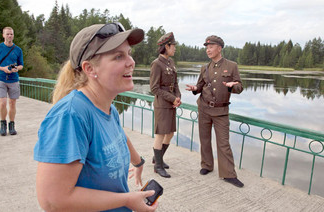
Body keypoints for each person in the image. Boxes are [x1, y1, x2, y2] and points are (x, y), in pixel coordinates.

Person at [34, 23, 158, 212]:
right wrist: (127, 200)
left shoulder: (108, 108)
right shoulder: (70, 116)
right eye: (118, 56)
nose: (131, 62)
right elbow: (52, 200)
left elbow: (117, 136)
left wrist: (138, 162)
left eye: (129, 53)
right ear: (90, 69)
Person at [185, 35, 244, 188]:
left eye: (210, 47)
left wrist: (232, 85)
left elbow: (240, 87)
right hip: (204, 108)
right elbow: (200, 86)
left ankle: (228, 174)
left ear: (219, 48)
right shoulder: (205, 68)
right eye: (206, 47)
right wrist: (195, 88)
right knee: (204, 139)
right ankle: (206, 165)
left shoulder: (232, 66)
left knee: (223, 143)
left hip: (221, 111)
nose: (208, 50)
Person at [150, 32, 181, 178]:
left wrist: (178, 97)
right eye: (173, 46)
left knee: (170, 133)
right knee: (161, 134)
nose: (175, 48)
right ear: (166, 46)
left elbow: (175, 83)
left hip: (171, 104)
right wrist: (171, 98)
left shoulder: (171, 63)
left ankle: (158, 159)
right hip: (162, 105)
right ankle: (158, 166)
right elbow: (154, 88)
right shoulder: (157, 64)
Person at [0, 27, 24, 136]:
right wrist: (2, 68)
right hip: (1, 78)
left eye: (11, 34)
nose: (10, 36)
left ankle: (12, 124)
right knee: (2, 102)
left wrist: (16, 69)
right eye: (8, 34)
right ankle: (3, 124)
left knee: (12, 103)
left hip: (13, 79)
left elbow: (21, 65)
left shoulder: (18, 50)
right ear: (3, 35)